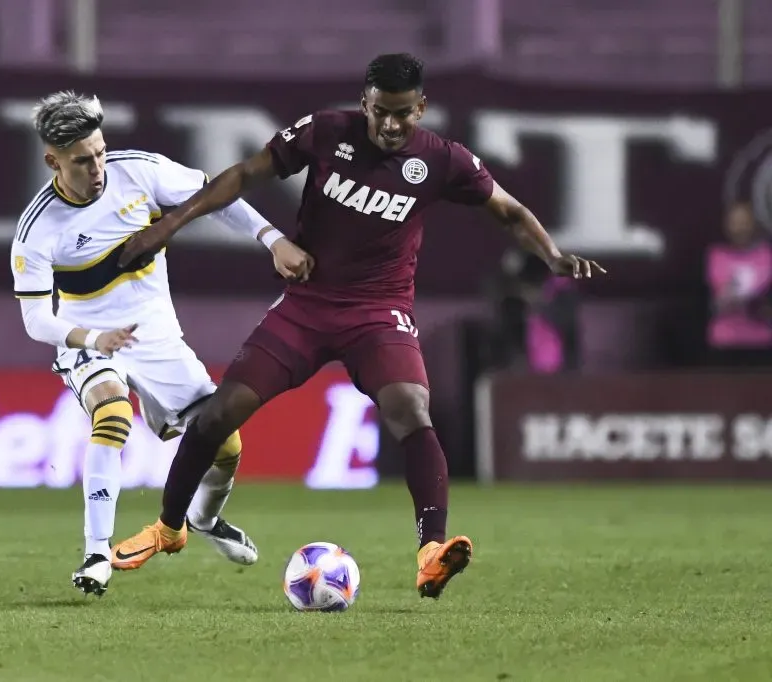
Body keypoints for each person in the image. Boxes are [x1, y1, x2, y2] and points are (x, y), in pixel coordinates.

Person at [110, 53, 604, 599]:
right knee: (221, 412)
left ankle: (430, 551)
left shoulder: (442, 160)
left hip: (379, 313)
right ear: (363, 101)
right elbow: (247, 173)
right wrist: (170, 226)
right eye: (379, 113)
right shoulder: (326, 131)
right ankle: (169, 528)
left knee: (411, 409)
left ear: (421, 107)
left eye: (402, 114)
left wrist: (552, 255)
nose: (390, 126)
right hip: (308, 305)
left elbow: (507, 210)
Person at [10, 90, 310, 596]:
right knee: (112, 415)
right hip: (89, 338)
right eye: (83, 161)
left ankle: (206, 520)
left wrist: (272, 238)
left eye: (101, 152)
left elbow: (217, 196)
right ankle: (96, 553)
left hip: (156, 337)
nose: (98, 167)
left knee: (226, 443)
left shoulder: (141, 172)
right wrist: (93, 337)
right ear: (53, 161)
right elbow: (37, 319)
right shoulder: (38, 228)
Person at [705, 202, 772, 367]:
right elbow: (714, 301)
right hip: (725, 341)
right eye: (735, 222)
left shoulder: (767, 255)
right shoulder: (716, 256)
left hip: (762, 342)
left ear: (753, 224)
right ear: (726, 226)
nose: (740, 228)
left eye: (744, 222)